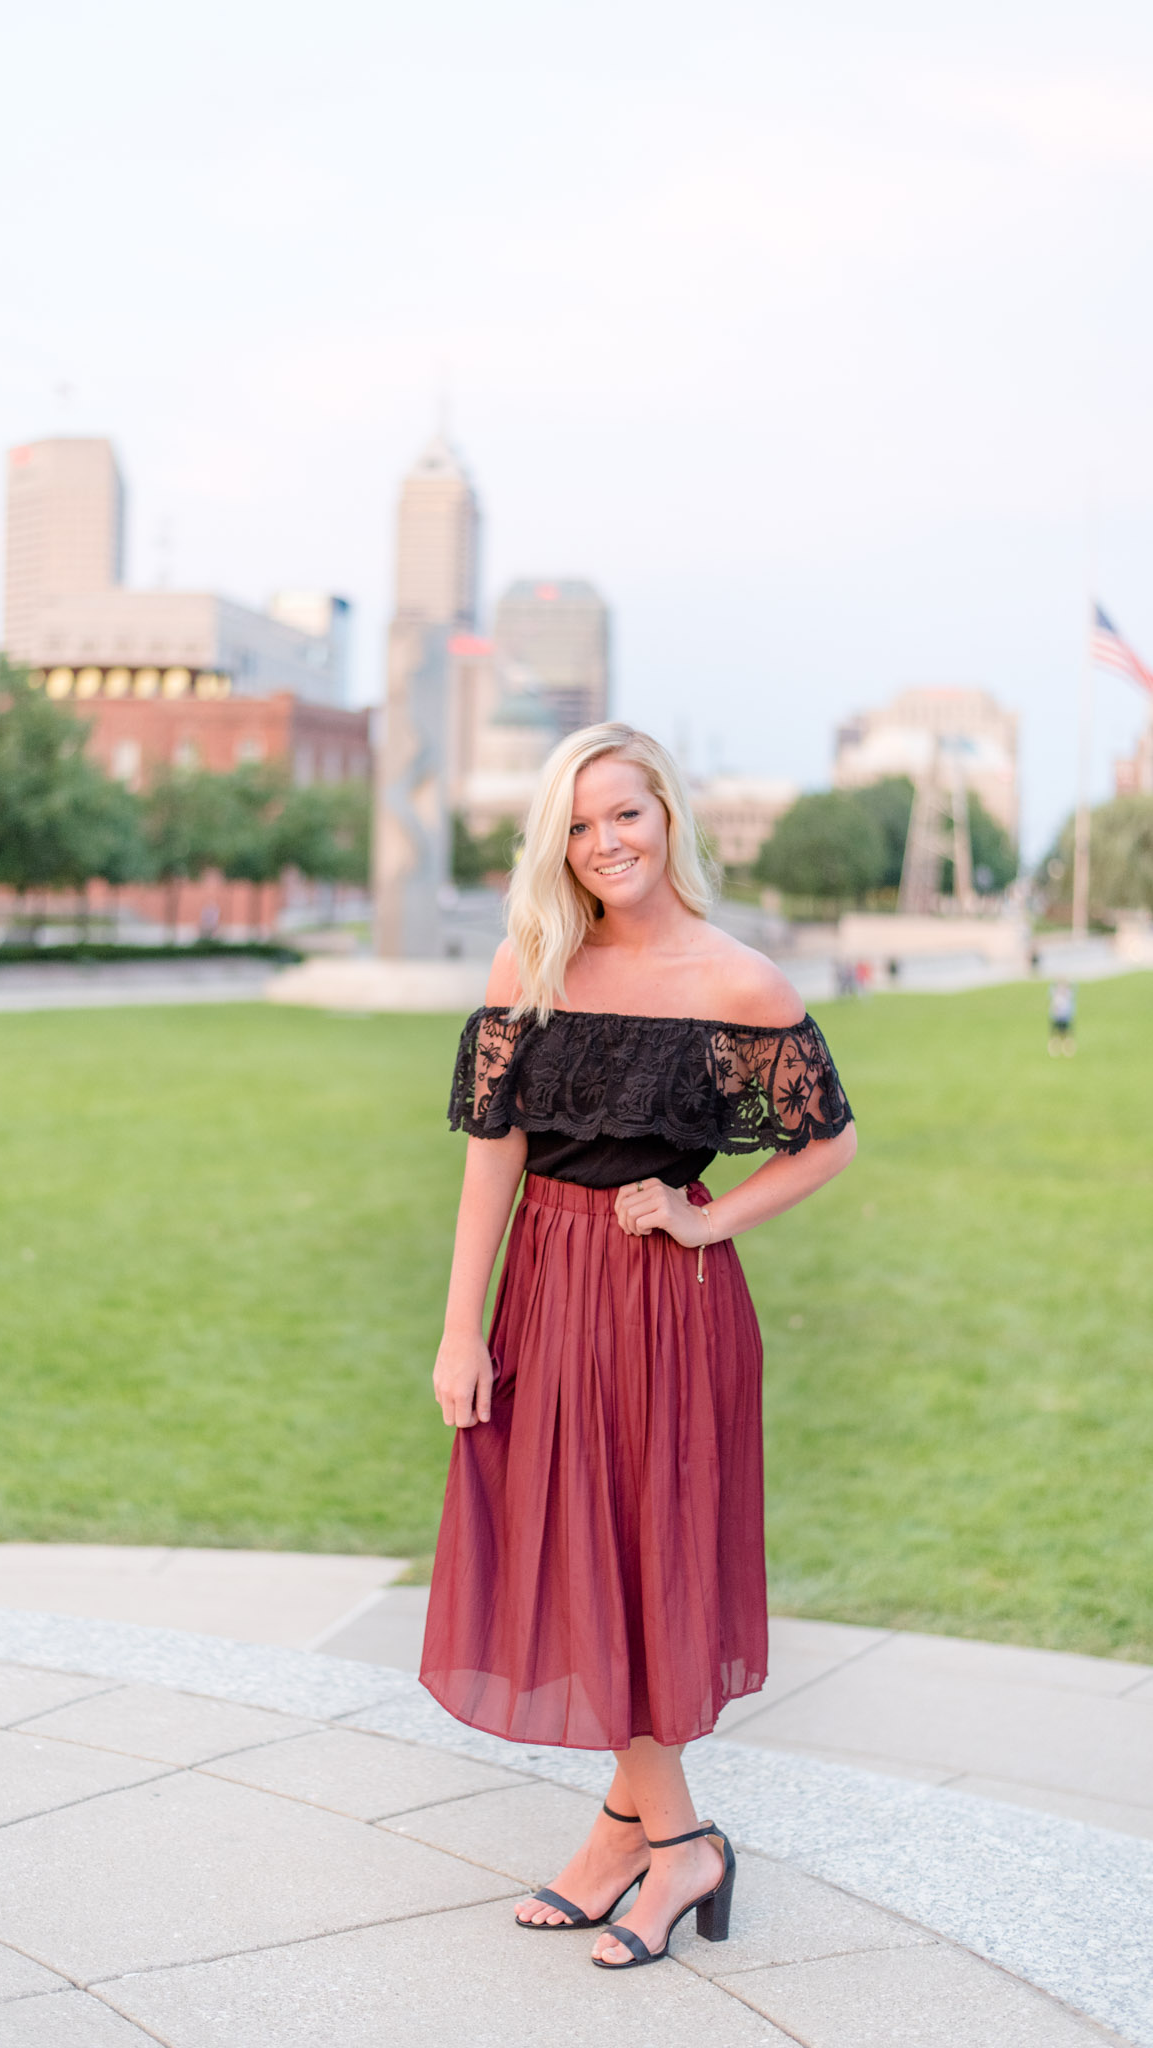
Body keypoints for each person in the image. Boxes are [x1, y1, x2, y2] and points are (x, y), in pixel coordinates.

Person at [421, 723, 856, 1973]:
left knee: (628, 1555)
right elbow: (491, 1147)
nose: (602, 841)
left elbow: (823, 1138)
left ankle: (673, 1845)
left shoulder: (736, 980)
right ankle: (641, 1830)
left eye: (623, 813)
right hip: (539, 1292)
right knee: (568, 1551)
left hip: (664, 1306)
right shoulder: (533, 960)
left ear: (667, 814)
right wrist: (461, 1325)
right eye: (576, 821)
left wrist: (707, 1213)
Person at [1048, 979, 1076, 1057]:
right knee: (1055, 1036)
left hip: (1065, 1017)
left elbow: (1073, 987)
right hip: (1057, 1017)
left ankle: (1067, 1050)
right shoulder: (1055, 993)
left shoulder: (1068, 994)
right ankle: (1054, 1050)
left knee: (1066, 1035)